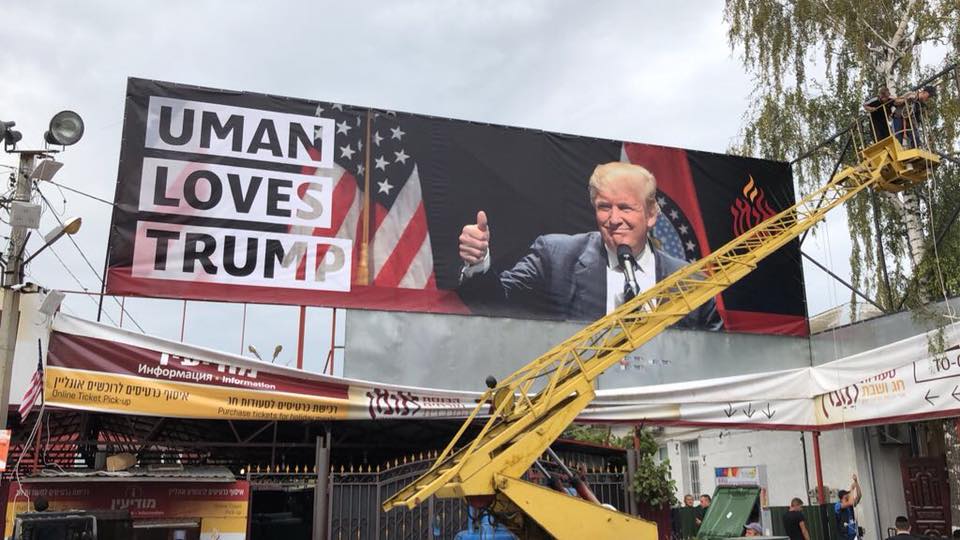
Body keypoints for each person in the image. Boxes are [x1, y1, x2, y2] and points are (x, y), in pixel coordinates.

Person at [457, 161, 723, 329]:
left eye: (625, 208)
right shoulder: (557, 257)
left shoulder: (691, 281)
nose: (614, 219)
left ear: (651, 214)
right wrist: (478, 262)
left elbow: (715, 358)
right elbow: (494, 301)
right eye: (604, 207)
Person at [835, 474, 863, 540]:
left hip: (854, 533)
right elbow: (850, 502)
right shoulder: (838, 505)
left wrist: (856, 482)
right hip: (845, 536)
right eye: (846, 497)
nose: (848, 498)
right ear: (841, 499)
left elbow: (859, 496)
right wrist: (852, 489)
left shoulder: (849, 505)